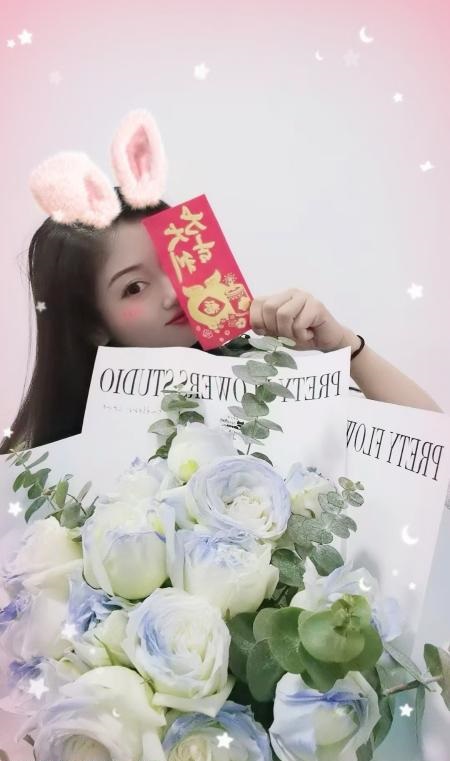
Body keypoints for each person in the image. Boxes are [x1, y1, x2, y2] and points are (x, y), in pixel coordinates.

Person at [0, 110, 442, 455]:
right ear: (93, 323)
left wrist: (344, 346)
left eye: (175, 261)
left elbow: (435, 454)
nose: (173, 293)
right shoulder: (44, 462)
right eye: (134, 287)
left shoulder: (265, 377)